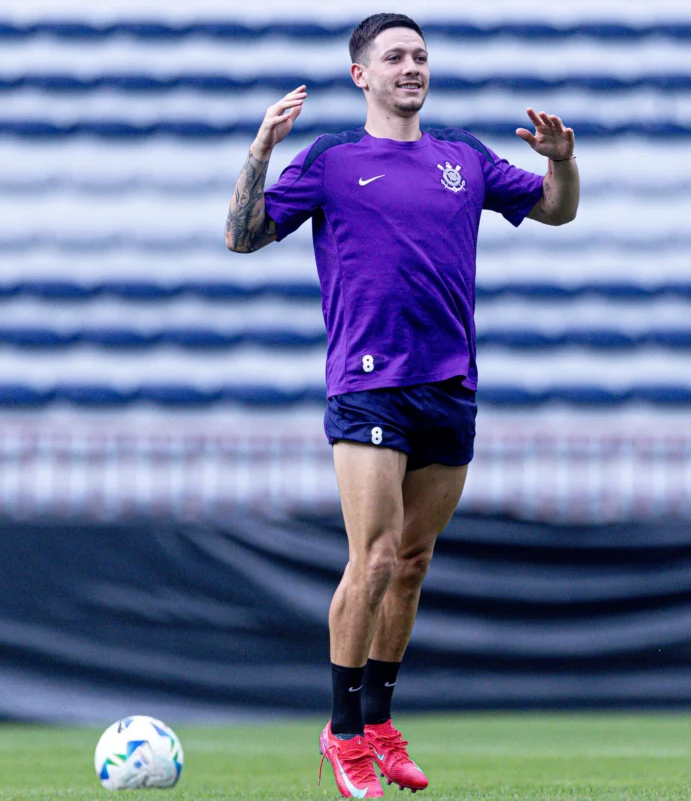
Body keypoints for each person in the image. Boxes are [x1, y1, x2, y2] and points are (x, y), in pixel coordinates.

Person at [224, 12, 579, 798]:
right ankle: (343, 732)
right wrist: (260, 151)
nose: (412, 66)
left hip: (449, 384)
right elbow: (242, 236)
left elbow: (557, 210)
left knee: (412, 563)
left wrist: (563, 163)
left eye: (419, 55)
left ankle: (379, 722)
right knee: (376, 556)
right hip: (368, 382)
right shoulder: (332, 160)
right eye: (395, 57)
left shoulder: (464, 157)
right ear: (362, 75)